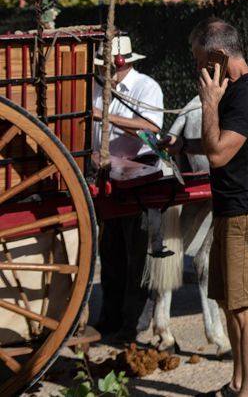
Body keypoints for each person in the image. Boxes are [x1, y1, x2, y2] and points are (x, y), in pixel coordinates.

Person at [162, 18, 248, 397]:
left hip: (246, 212)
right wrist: (183, 148)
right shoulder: (238, 91)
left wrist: (209, 102)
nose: (198, 68)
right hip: (232, 210)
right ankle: (237, 383)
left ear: (218, 55)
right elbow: (222, 144)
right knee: (230, 304)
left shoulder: (245, 93)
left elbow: (218, 153)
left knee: (247, 309)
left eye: (199, 60)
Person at [92, 35, 164, 343]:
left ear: (125, 63)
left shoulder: (146, 87)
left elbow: (151, 128)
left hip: (139, 178)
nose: (104, 73)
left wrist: (106, 116)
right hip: (104, 176)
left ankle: (134, 323)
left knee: (138, 255)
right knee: (110, 255)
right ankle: (109, 319)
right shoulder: (94, 87)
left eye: (109, 67)